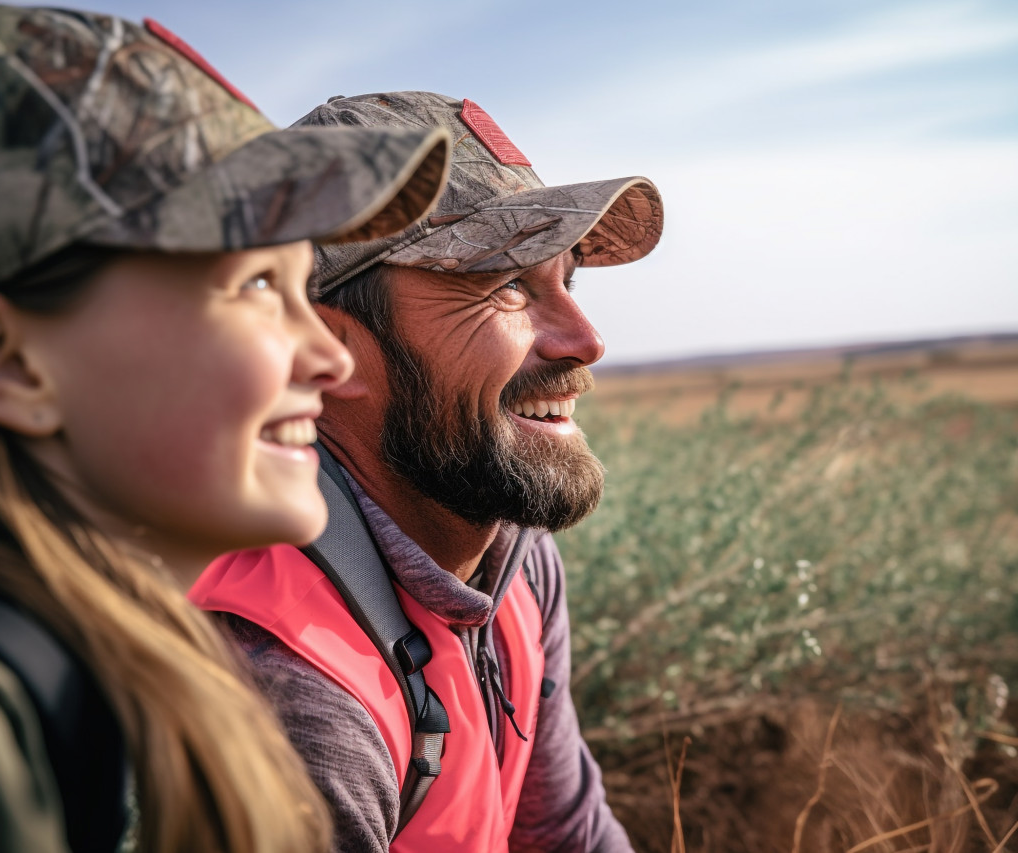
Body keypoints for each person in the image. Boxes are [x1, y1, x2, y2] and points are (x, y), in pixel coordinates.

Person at [0, 8, 450, 853]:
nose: (330, 360)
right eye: (251, 286)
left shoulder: (76, 683)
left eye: (303, 286)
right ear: (2, 361)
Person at [190, 91, 663, 852]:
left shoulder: (513, 555)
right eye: (507, 283)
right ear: (328, 350)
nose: (586, 340)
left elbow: (567, 834)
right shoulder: (289, 690)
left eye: (567, 281)